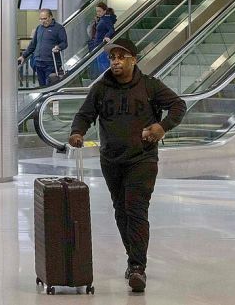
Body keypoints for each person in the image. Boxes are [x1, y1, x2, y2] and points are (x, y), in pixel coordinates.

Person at [68, 38, 185, 293]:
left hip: (142, 158)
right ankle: (133, 260)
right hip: (111, 159)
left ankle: (137, 267)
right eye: (112, 57)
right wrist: (77, 132)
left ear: (134, 59)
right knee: (121, 211)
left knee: (135, 210)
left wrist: (161, 127)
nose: (116, 61)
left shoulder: (150, 86)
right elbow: (85, 114)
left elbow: (178, 105)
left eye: (121, 57)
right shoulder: (101, 88)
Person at [18, 8, 67, 86]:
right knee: (42, 86)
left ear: (51, 17)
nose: (43, 21)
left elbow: (64, 43)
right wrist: (24, 56)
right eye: (41, 19)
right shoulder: (39, 28)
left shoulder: (59, 28)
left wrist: (58, 47)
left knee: (50, 85)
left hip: (51, 63)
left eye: (45, 18)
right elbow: (33, 44)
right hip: (39, 62)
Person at [88, 2, 117, 77]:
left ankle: (106, 81)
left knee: (103, 65)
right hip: (98, 45)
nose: (98, 13)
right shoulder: (102, 19)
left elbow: (111, 30)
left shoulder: (106, 19)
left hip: (101, 46)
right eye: (97, 11)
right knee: (101, 65)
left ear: (104, 11)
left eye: (99, 11)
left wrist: (107, 36)